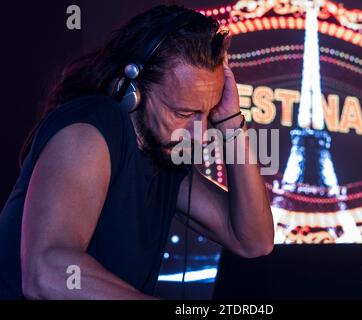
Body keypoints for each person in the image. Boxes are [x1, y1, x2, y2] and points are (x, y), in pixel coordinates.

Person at [0, 5, 274, 299]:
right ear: (131, 91)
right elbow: (47, 271)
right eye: (183, 113)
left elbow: (253, 241)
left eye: (206, 114)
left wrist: (231, 122)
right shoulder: (90, 128)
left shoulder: (161, 155)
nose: (199, 134)